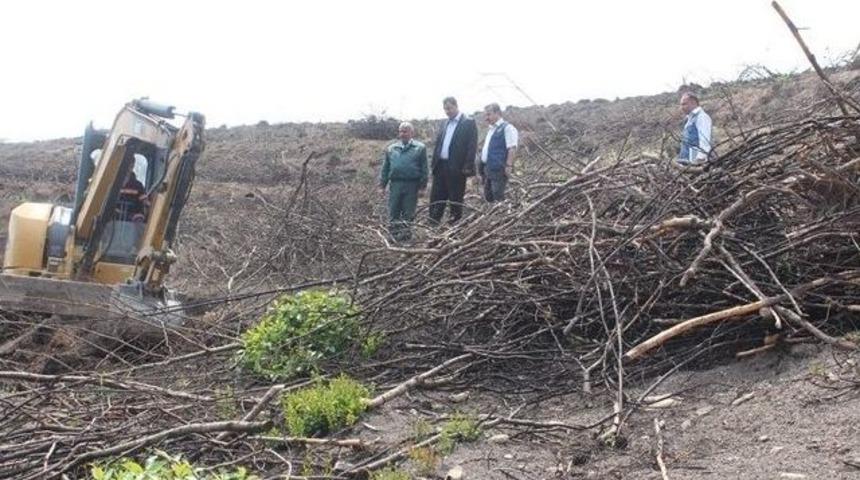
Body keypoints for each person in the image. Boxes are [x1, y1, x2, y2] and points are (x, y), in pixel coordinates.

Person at [429, 96, 478, 225]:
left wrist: (468, 168)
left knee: (455, 199)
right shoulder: (444, 123)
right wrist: (433, 165)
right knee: (436, 198)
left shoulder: (468, 122)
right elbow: (438, 145)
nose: (447, 111)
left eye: (449, 108)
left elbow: (472, 146)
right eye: (445, 109)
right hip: (440, 167)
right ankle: (432, 226)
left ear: (456, 106)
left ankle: (454, 229)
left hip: (457, 168)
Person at [379, 122, 428, 242]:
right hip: (395, 184)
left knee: (408, 211)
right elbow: (385, 168)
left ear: (412, 133)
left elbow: (424, 168)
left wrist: (423, 187)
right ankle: (393, 238)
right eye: (401, 131)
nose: (402, 133)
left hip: (412, 185)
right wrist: (382, 186)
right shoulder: (391, 149)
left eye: (405, 131)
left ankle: (405, 238)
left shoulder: (420, 148)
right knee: (394, 210)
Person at [478, 103, 518, 202]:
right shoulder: (491, 129)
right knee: (488, 195)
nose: (486, 118)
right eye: (485, 115)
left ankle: (503, 214)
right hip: (488, 168)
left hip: (499, 169)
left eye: (489, 114)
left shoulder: (508, 128)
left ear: (498, 113)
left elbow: (512, 148)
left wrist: (508, 166)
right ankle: (494, 215)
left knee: (498, 195)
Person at [677, 93, 713, 164]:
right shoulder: (690, 119)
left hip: (696, 163)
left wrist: (700, 159)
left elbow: (705, 140)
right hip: (688, 162)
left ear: (693, 103)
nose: (681, 107)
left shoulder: (701, 117)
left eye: (684, 104)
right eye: (681, 105)